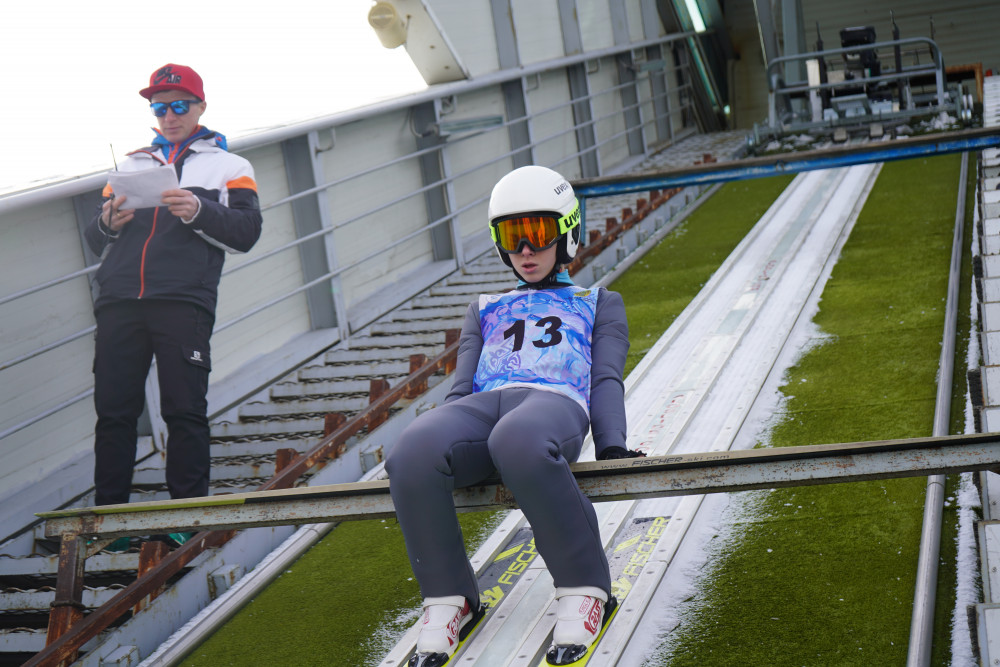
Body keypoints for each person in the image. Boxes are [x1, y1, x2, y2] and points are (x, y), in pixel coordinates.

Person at [386, 165, 644, 666]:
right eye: (512, 236)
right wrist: (443, 442)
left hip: (554, 403)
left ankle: (584, 586)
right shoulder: (485, 307)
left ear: (567, 233)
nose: (525, 250)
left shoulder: (599, 302)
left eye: (538, 234)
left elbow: (605, 377)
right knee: (412, 451)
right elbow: (463, 389)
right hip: (484, 407)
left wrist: (612, 442)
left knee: (517, 439)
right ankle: (450, 598)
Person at [83, 64, 262, 548]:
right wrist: (109, 220)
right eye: (159, 107)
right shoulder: (133, 165)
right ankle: (110, 524)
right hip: (119, 299)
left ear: (201, 106)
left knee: (184, 410)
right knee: (114, 412)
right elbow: (94, 235)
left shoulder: (230, 166)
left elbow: (247, 233)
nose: (168, 115)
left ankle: (188, 517)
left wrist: (199, 210)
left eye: (179, 105)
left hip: (183, 301)